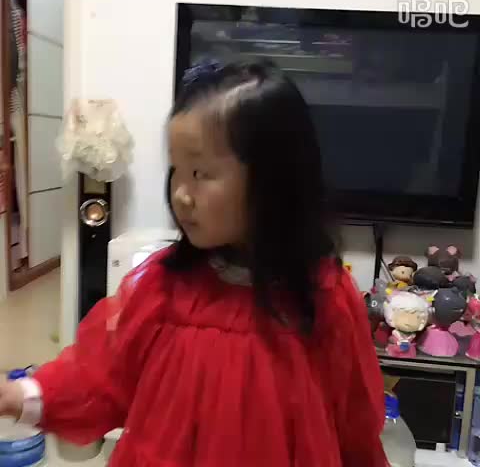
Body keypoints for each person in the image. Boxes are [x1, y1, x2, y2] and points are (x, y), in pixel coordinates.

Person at [0, 61, 387, 466]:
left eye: (200, 172)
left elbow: (354, 419)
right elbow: (99, 376)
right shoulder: (163, 288)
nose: (181, 194)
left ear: (273, 180)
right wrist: (20, 396)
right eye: (176, 171)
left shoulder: (323, 295)